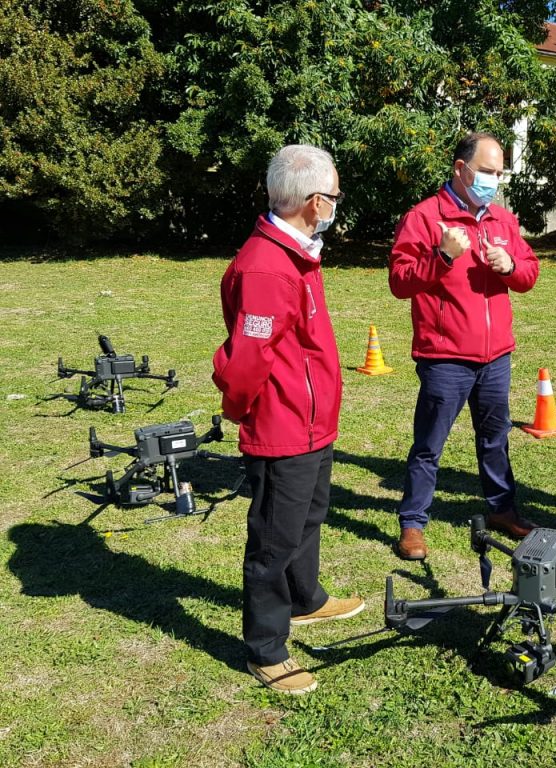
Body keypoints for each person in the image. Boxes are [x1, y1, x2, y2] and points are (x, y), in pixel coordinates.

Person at [213, 144, 365, 695]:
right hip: (283, 428)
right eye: (334, 198)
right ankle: (266, 647)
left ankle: (307, 599)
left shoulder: (299, 250)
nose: (336, 207)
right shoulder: (267, 267)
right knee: (274, 539)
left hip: (311, 422)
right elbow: (249, 358)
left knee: (309, 515)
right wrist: (237, 408)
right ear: (314, 201)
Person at [389, 132, 540, 561]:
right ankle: (413, 523)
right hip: (445, 358)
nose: (494, 180)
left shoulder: (503, 220)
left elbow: (529, 273)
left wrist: (510, 266)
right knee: (429, 445)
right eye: (487, 172)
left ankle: (502, 509)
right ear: (461, 169)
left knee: (495, 438)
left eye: (499, 172)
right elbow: (400, 282)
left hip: (496, 357)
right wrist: (442, 256)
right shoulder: (424, 217)